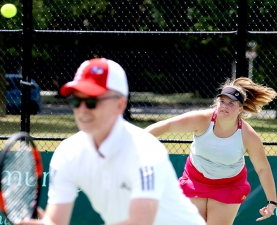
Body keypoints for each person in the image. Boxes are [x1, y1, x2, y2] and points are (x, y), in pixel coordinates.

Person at [17, 58, 206, 225]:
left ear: (120, 105)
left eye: (92, 101)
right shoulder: (68, 153)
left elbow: (141, 221)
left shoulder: (145, 150)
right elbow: (56, 221)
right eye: (76, 100)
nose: (82, 109)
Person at [145, 77, 277, 225]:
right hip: (195, 179)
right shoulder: (202, 119)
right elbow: (167, 125)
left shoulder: (248, 135)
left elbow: (263, 168)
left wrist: (272, 202)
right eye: (222, 101)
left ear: (240, 109)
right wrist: (136, 141)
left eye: (231, 103)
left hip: (229, 185)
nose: (225, 106)